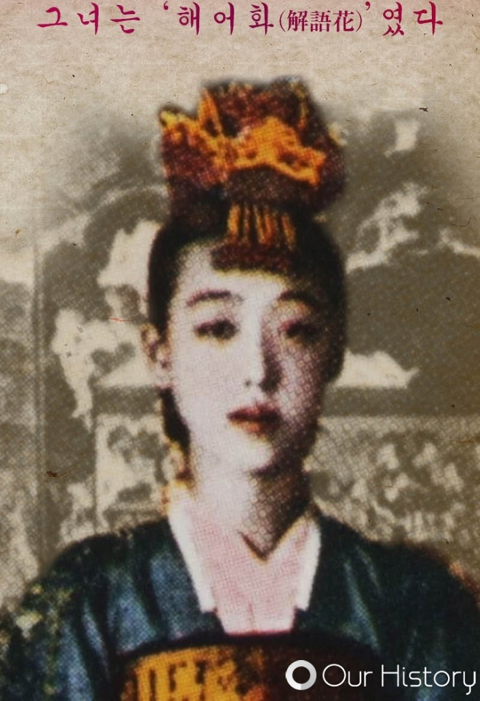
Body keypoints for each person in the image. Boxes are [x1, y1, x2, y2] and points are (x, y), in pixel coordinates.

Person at [1, 80, 479, 700]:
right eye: (218, 328)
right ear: (160, 354)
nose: (258, 370)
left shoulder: (412, 604)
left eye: (296, 330)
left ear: (334, 352)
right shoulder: (88, 602)